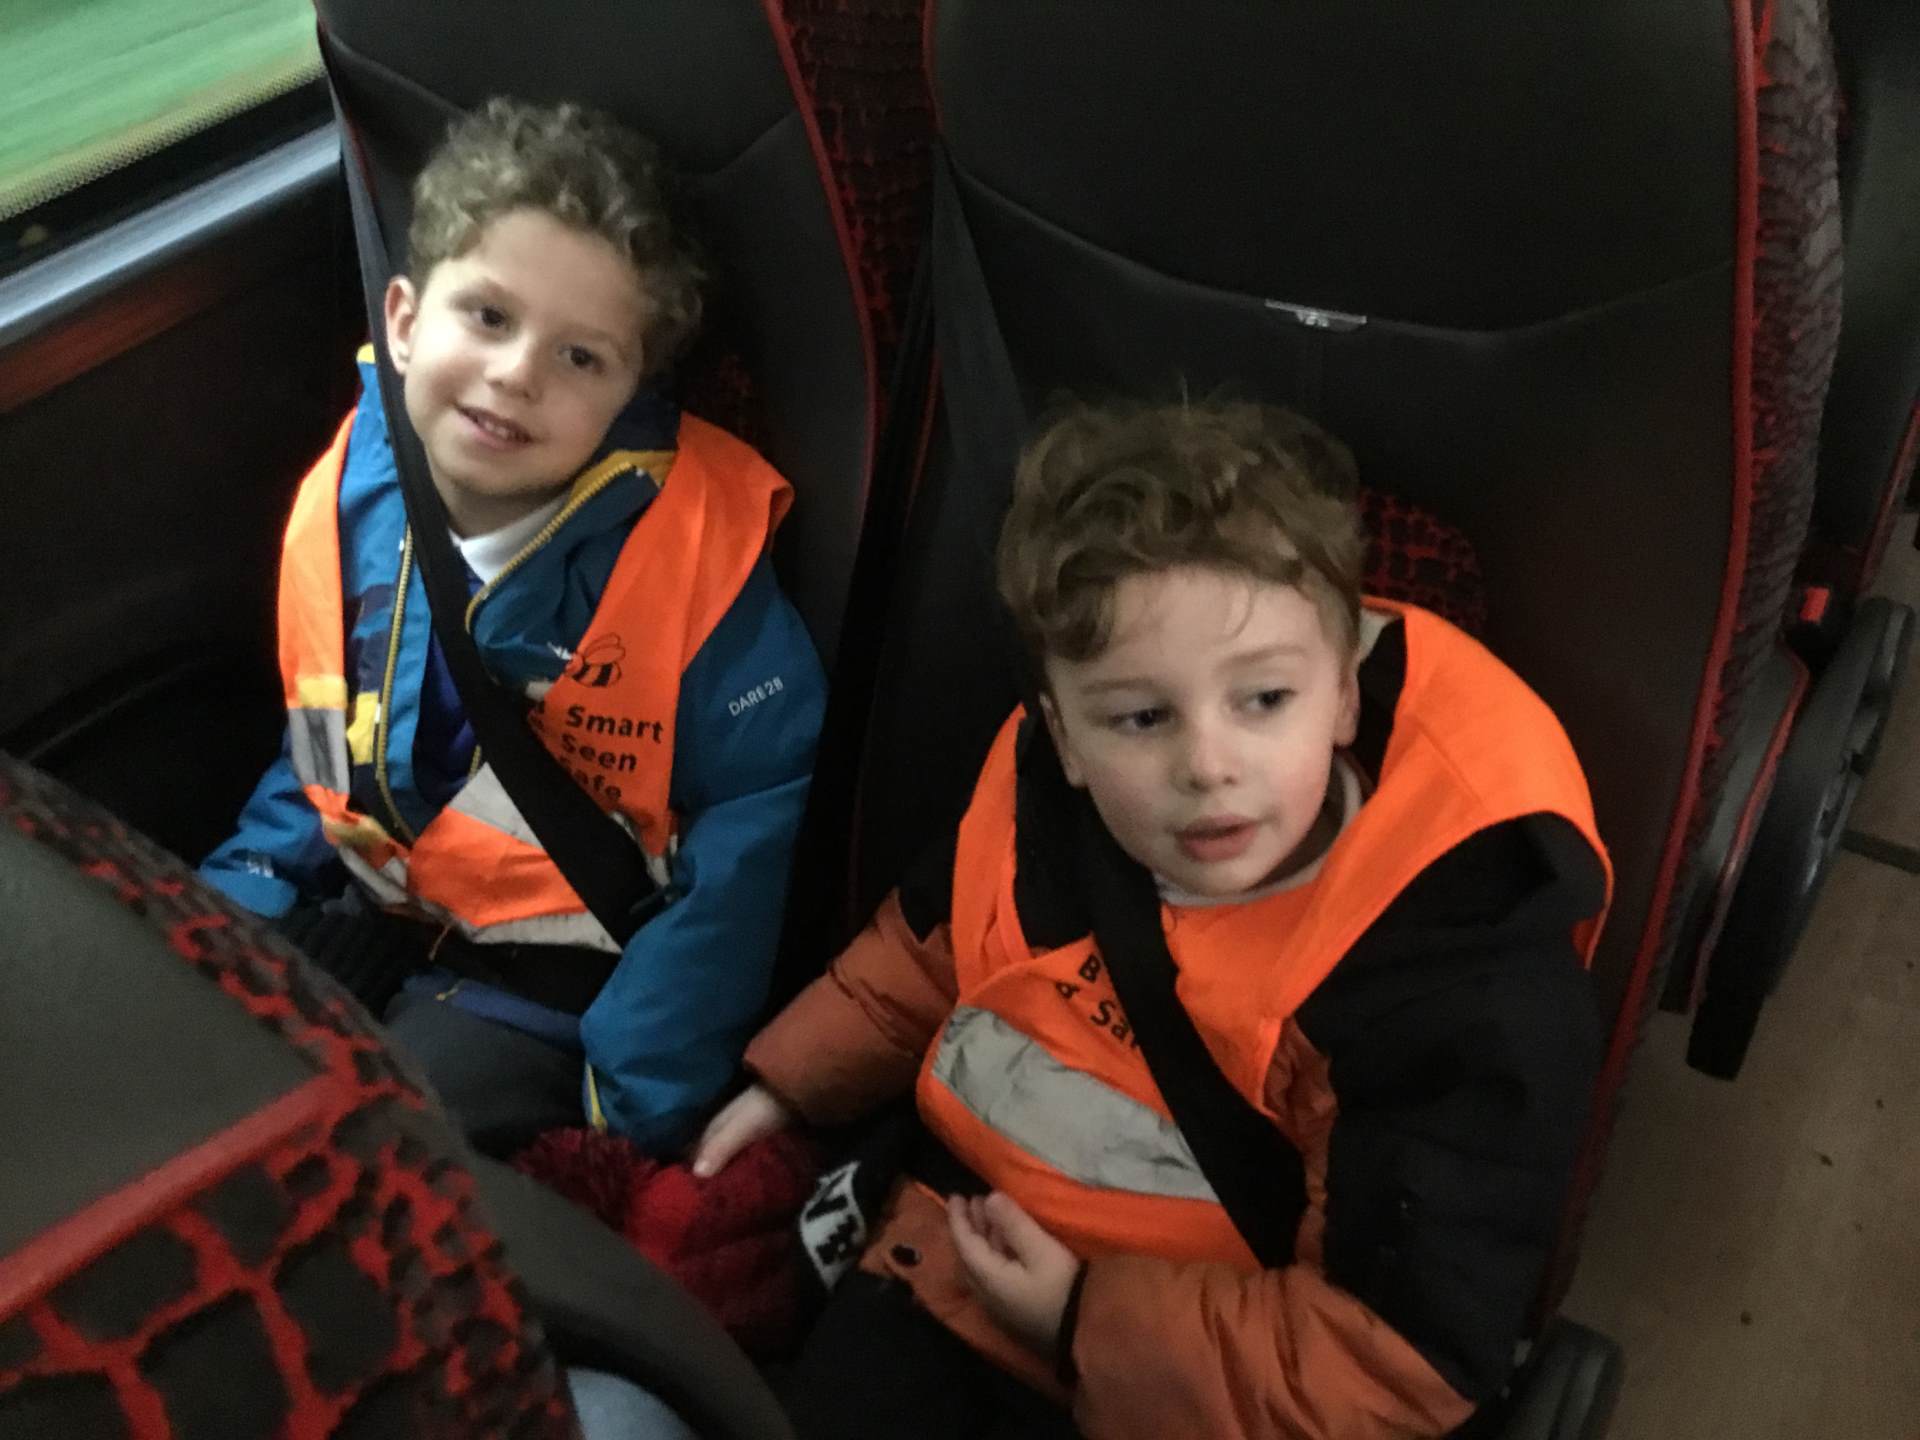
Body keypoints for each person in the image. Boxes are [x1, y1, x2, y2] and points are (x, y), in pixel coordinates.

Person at [693, 400, 1612, 1439]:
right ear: (1066, 740)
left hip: (1201, 1377)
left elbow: (1392, 1357)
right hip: (944, 1258)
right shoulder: (1042, 797)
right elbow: (939, 945)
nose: (1207, 766)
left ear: (1345, 700)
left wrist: (1080, 1319)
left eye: (1265, 700)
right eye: (1142, 717)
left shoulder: (1452, 972)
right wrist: (795, 1083)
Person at [201, 98, 825, 1157]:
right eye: (488, 316)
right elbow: (320, 731)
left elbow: (747, 851)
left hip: (557, 973)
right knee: (187, 1054)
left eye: (581, 358)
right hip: (377, 903)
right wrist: (242, 893)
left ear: (635, 394)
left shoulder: (691, 562)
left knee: (386, 1152)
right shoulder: (347, 495)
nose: (518, 373)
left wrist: (637, 1094)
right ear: (405, 321)